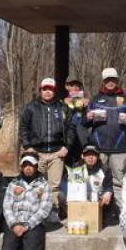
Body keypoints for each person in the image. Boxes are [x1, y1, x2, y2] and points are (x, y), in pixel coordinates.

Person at [0, 153, 52, 250]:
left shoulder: (43, 184)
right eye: (25, 165)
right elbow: (6, 206)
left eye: (31, 165)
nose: (28, 168)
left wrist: (28, 225)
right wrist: (14, 224)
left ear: (36, 166)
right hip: (14, 223)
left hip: (34, 224)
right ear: (21, 167)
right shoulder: (13, 184)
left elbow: (45, 208)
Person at [19, 77, 75, 217]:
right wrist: (27, 146)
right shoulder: (31, 107)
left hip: (57, 153)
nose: (47, 92)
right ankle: (37, 212)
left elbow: (71, 128)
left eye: (50, 89)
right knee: (37, 185)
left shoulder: (63, 108)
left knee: (54, 186)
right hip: (37, 152)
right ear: (41, 90)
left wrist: (66, 146)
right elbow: (23, 127)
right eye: (45, 89)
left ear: (54, 91)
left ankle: (53, 212)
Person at [86, 68, 126, 210]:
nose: (110, 82)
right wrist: (87, 117)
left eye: (113, 79)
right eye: (107, 80)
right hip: (99, 148)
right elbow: (85, 123)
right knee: (98, 180)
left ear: (117, 80)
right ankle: (99, 211)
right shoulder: (95, 99)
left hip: (119, 148)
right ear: (103, 81)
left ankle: (122, 211)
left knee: (119, 181)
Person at [60, 144, 114, 215]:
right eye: (87, 154)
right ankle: (70, 213)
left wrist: (108, 192)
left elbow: (109, 185)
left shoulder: (105, 169)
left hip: (97, 200)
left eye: (93, 155)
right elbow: (65, 183)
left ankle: (103, 215)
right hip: (79, 199)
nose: (90, 157)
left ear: (98, 156)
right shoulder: (76, 167)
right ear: (82, 156)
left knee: (110, 196)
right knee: (61, 194)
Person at [63, 75, 89, 163]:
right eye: (72, 85)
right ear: (67, 86)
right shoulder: (61, 103)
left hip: (82, 141)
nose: (75, 87)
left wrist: (88, 106)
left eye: (77, 85)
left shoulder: (86, 102)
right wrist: (65, 105)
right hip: (67, 142)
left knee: (81, 170)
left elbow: (90, 122)